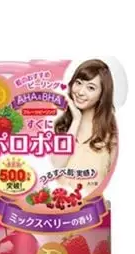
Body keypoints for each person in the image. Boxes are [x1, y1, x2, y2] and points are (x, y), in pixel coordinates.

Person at [50, 59, 118, 197]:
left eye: (91, 88)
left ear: (102, 94)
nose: (81, 92)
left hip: (92, 207)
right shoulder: (60, 127)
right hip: (60, 206)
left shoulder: (111, 134)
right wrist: (76, 120)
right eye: (79, 83)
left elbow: (115, 185)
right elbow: (56, 166)